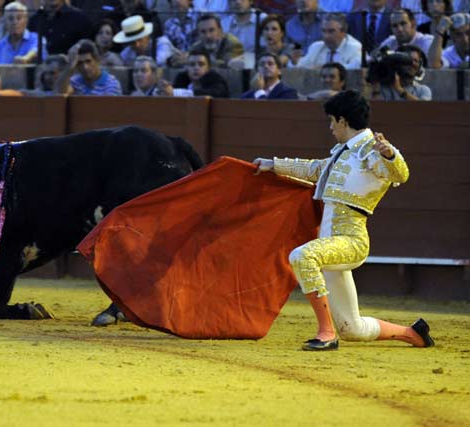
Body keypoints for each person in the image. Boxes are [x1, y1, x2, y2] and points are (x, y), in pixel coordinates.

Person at [253, 90, 434, 351]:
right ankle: (412, 334)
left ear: (341, 120)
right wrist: (274, 164)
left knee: (302, 256)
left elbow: (400, 174)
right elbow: (315, 169)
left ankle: (326, 333)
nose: (330, 128)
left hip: (350, 240)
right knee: (353, 328)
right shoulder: (345, 152)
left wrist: (390, 154)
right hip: (330, 244)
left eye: (331, 121)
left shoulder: (372, 151)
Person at [292, 12, 363, 69]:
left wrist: (323, 69)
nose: (326, 36)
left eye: (331, 31)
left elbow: (354, 68)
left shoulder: (355, 47)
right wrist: (295, 63)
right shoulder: (316, 47)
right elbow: (302, 67)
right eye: (323, 31)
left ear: (343, 31)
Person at [54, 39, 122, 95]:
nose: (85, 67)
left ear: (97, 60)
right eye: (79, 63)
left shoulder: (111, 84)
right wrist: (70, 66)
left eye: (88, 61)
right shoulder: (74, 81)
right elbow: (60, 93)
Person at [26, 0, 94, 56]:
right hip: (40, 70)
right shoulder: (34, 20)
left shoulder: (80, 18)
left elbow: (87, 51)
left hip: (70, 69)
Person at [155, 47, 230, 97]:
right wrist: (164, 89)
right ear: (187, 67)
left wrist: (176, 92)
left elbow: (216, 93)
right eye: (192, 64)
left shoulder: (216, 79)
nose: (196, 68)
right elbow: (172, 91)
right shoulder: (182, 78)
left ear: (208, 68)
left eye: (201, 64)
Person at [113, 15, 178, 66]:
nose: (137, 45)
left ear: (147, 36)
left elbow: (157, 62)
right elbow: (120, 60)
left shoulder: (162, 43)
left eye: (140, 40)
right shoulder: (129, 51)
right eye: (132, 43)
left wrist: (127, 64)